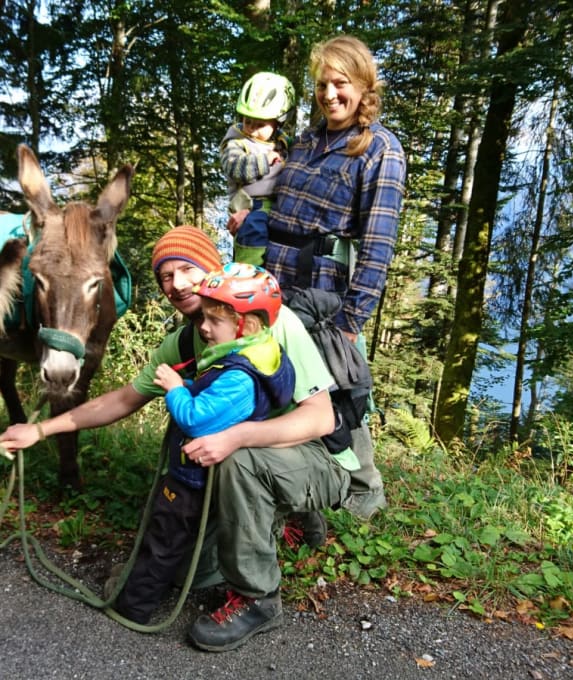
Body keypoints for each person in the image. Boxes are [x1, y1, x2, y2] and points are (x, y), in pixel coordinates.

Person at [0, 225, 351, 651]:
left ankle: (260, 597)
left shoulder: (271, 322)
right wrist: (39, 430)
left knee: (234, 457)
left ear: (213, 269)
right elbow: (123, 399)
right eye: (165, 275)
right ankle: (270, 517)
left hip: (314, 456)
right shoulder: (189, 338)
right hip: (241, 460)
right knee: (187, 573)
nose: (176, 283)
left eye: (187, 268)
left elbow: (321, 420)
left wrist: (236, 436)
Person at [229, 35, 407, 519]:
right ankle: (292, 488)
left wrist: (353, 319)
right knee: (280, 382)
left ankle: (364, 489)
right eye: (323, 85)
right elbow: (276, 201)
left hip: (326, 292)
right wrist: (250, 222)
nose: (330, 94)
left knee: (337, 389)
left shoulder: (380, 150)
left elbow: (378, 243)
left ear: (364, 86)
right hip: (275, 282)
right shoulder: (305, 142)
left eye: (340, 84)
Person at [113, 262, 297, 624]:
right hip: (206, 475)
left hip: (192, 479)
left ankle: (131, 607)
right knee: (171, 541)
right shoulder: (259, 354)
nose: (203, 328)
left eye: (214, 321)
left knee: (162, 541)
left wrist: (175, 390)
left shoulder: (240, 377)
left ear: (247, 325)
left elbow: (195, 419)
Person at [219, 72, 295, 266]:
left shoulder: (284, 143)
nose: (251, 128)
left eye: (260, 124)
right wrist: (263, 161)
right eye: (247, 121)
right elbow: (233, 167)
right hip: (251, 206)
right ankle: (249, 275)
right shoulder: (237, 142)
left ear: (279, 121)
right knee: (254, 229)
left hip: (279, 205)